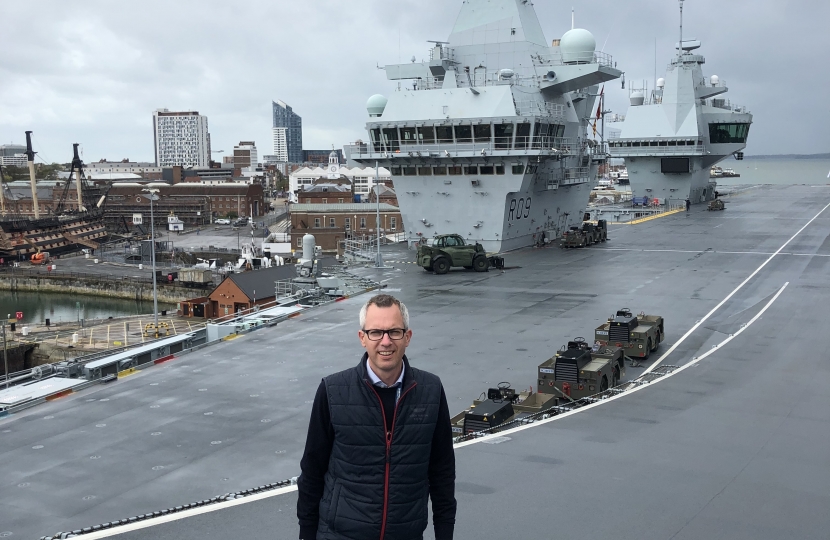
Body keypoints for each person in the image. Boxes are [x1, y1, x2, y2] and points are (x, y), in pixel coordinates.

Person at [298, 294, 456, 540]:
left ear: (408, 337)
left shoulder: (431, 391)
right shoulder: (332, 390)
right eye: (375, 332)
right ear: (362, 338)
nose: (385, 342)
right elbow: (311, 472)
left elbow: (442, 473)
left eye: (394, 332)